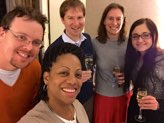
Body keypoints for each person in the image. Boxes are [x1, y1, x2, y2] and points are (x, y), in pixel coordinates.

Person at [47, 0, 94, 122]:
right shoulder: (54, 49)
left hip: (87, 101)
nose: (76, 23)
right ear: (63, 20)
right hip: (64, 104)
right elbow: (46, 83)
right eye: (70, 18)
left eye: (79, 17)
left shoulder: (88, 40)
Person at [18, 43, 89, 123]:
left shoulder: (78, 106)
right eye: (64, 73)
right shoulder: (32, 121)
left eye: (78, 75)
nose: (73, 81)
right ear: (46, 78)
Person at [0, 6, 47, 123]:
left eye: (36, 42)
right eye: (21, 37)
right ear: (2, 34)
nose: (29, 47)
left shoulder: (35, 69)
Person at [92, 3, 131, 123]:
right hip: (102, 98)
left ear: (123, 21)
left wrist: (128, 76)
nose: (114, 23)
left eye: (118, 19)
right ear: (104, 21)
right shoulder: (95, 43)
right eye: (110, 18)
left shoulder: (131, 43)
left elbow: (138, 69)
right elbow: (87, 67)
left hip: (124, 96)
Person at [124, 18, 164, 123]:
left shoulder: (162, 59)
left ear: (154, 36)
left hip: (156, 115)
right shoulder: (134, 58)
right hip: (135, 111)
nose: (140, 40)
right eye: (135, 36)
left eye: (145, 35)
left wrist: (159, 104)